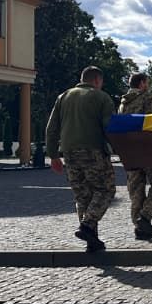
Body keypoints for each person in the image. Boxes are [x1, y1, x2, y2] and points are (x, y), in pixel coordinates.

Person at [46, 66, 117, 253]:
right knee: (105, 190)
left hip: (69, 153)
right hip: (93, 151)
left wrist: (53, 155)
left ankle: (91, 240)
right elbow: (109, 127)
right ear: (97, 81)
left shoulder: (63, 97)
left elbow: (51, 128)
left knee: (82, 195)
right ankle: (87, 225)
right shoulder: (102, 97)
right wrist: (120, 149)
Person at [118, 72, 152, 238]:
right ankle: (145, 216)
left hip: (130, 150)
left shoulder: (123, 103)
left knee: (136, 189)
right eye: (147, 82)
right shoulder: (148, 98)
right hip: (147, 149)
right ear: (142, 83)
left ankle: (138, 226)